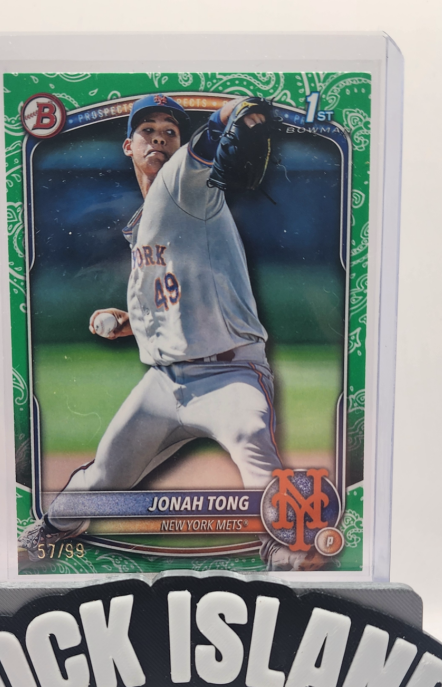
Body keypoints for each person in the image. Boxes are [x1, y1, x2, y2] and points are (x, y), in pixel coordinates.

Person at [19, 93, 323, 571]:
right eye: (147, 130)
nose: (159, 138)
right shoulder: (141, 225)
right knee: (104, 476)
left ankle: (284, 545)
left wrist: (235, 111)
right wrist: (129, 323)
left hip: (229, 375)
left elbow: (214, 133)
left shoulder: (185, 182)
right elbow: (171, 304)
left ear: (180, 146)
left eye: (169, 131)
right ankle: (47, 534)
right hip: (164, 383)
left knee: (250, 434)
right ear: (128, 146)